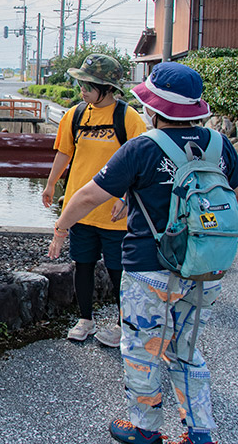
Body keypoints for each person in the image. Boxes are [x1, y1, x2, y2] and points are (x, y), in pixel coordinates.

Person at [51, 62, 238, 444]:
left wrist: (62, 227)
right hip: (204, 268)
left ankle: (145, 428)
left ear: (154, 108)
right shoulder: (218, 145)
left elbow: (90, 196)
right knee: (187, 350)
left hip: (150, 271)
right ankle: (199, 431)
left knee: (143, 349)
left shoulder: (143, 148)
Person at [43, 53, 146, 347]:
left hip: (115, 214)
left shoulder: (128, 118)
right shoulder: (74, 114)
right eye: (81, 83)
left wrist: (125, 197)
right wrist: (51, 184)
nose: (82, 90)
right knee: (83, 265)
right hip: (79, 209)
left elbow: (140, 162)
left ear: (108, 87)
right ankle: (85, 318)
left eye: (89, 84)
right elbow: (64, 152)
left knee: (118, 271)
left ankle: (122, 323)